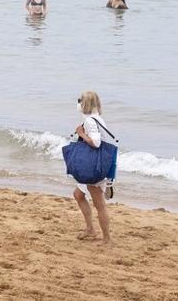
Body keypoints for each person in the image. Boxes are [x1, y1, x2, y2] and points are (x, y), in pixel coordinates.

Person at [71, 91, 113, 244]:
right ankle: (90, 228)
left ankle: (106, 238)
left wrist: (81, 134)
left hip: (93, 166)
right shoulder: (97, 118)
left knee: (99, 203)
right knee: (78, 194)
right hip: (97, 163)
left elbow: (96, 143)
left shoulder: (90, 121)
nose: (78, 103)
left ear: (85, 103)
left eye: (80, 100)